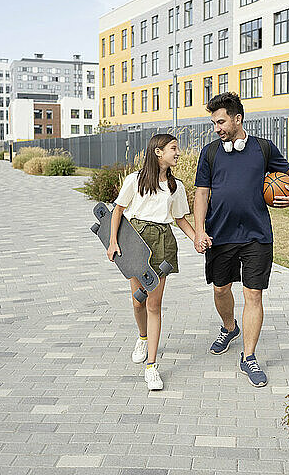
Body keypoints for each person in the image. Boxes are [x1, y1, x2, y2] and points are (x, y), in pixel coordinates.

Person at [193, 92, 289, 387]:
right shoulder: (210, 152)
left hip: (257, 235)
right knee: (221, 290)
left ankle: (249, 357)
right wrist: (200, 230)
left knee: (253, 295)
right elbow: (201, 193)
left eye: (221, 121)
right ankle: (229, 328)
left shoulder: (263, 149)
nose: (217, 128)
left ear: (238, 119)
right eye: (214, 123)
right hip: (220, 234)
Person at [107, 134, 195, 391]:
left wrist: (196, 239)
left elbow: (180, 219)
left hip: (162, 242)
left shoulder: (175, 186)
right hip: (135, 241)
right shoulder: (135, 180)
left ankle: (152, 367)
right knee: (138, 300)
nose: (178, 153)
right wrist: (113, 242)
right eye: (174, 149)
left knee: (155, 305)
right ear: (158, 152)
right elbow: (118, 210)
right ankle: (142, 338)